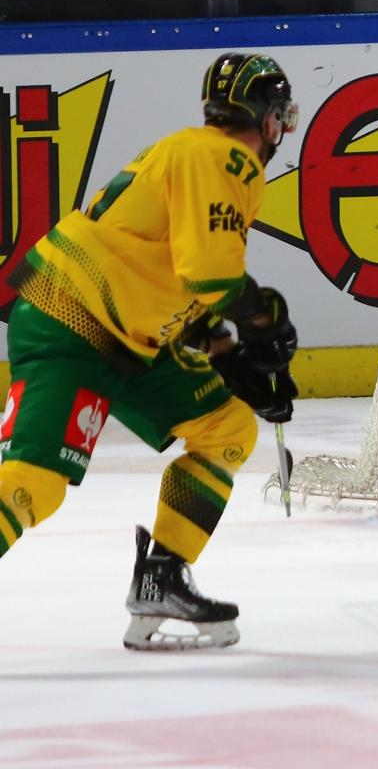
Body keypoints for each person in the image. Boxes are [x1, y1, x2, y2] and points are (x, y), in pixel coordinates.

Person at [0, 53, 302, 650]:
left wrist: (225, 353)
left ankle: (160, 578)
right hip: (70, 325)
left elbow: (173, 271)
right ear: (268, 118)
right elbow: (210, 276)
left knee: (227, 427)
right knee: (35, 484)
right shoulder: (222, 159)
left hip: (124, 335)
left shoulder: (201, 155)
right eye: (280, 116)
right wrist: (264, 321)